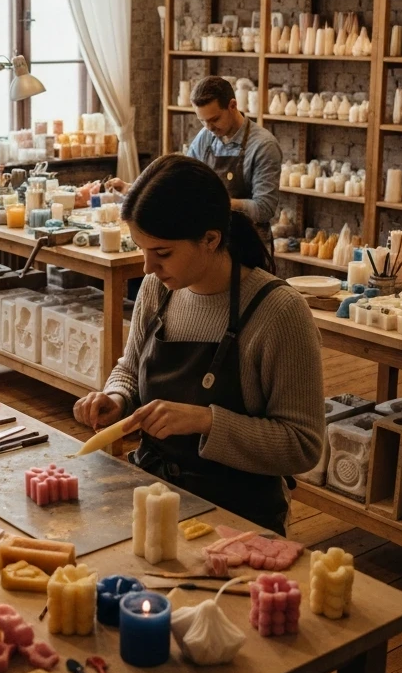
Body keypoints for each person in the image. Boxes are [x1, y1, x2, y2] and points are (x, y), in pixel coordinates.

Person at [73, 154, 323, 534]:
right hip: (154, 493)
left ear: (210, 239)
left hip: (237, 516)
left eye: (162, 253)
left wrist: (205, 421)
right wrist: (118, 398)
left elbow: (302, 445)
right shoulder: (159, 289)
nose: (146, 268)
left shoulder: (279, 312)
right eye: (141, 250)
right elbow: (130, 365)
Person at [106, 76, 281, 248]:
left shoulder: (263, 145)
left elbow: (263, 209)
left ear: (232, 106)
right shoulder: (206, 137)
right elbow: (181, 180)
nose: (209, 128)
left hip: (250, 244)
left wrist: (217, 202)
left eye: (214, 119)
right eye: (202, 121)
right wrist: (135, 190)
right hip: (213, 243)